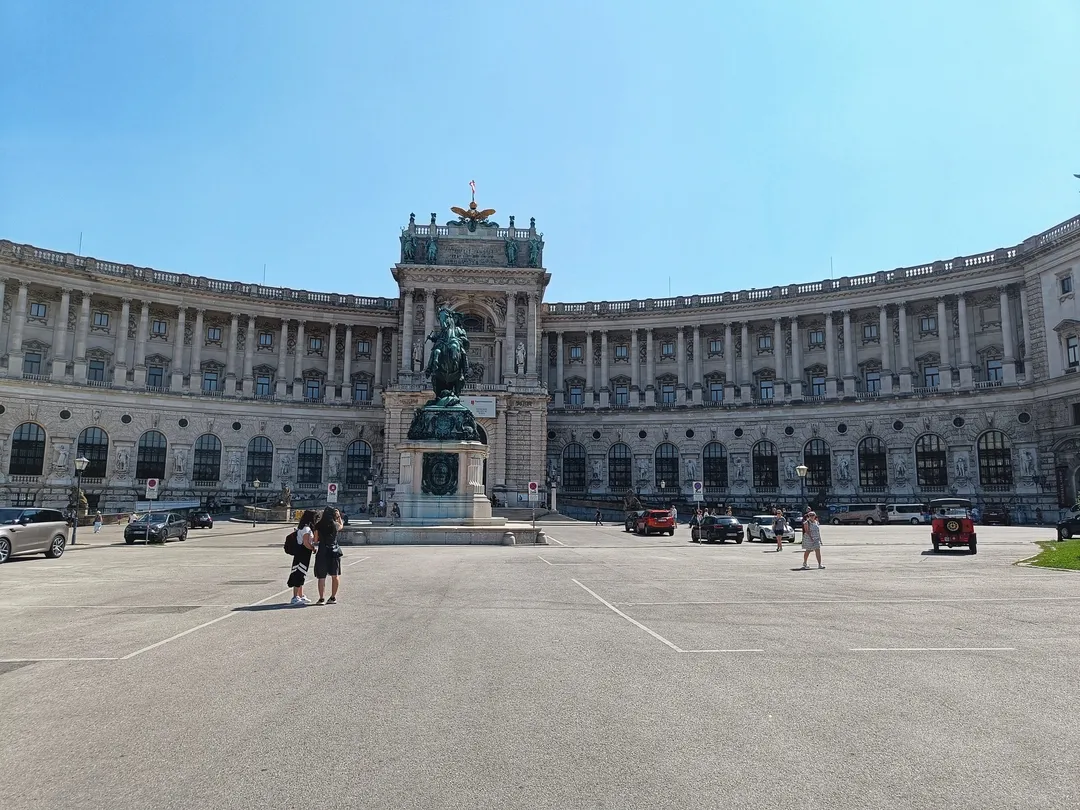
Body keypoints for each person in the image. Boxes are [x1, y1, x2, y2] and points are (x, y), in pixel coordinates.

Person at [313, 507, 344, 605]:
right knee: (335, 575)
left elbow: (315, 540)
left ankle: (321, 598)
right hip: (334, 551)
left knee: (321, 577)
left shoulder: (318, 525)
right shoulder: (335, 525)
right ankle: (333, 597)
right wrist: (339, 517)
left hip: (322, 551)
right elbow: (341, 526)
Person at [288, 510, 318, 606]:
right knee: (299, 573)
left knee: (302, 573)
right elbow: (306, 543)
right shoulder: (306, 529)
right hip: (303, 553)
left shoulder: (303, 527)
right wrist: (313, 548)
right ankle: (295, 596)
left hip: (302, 553)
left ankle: (300, 595)